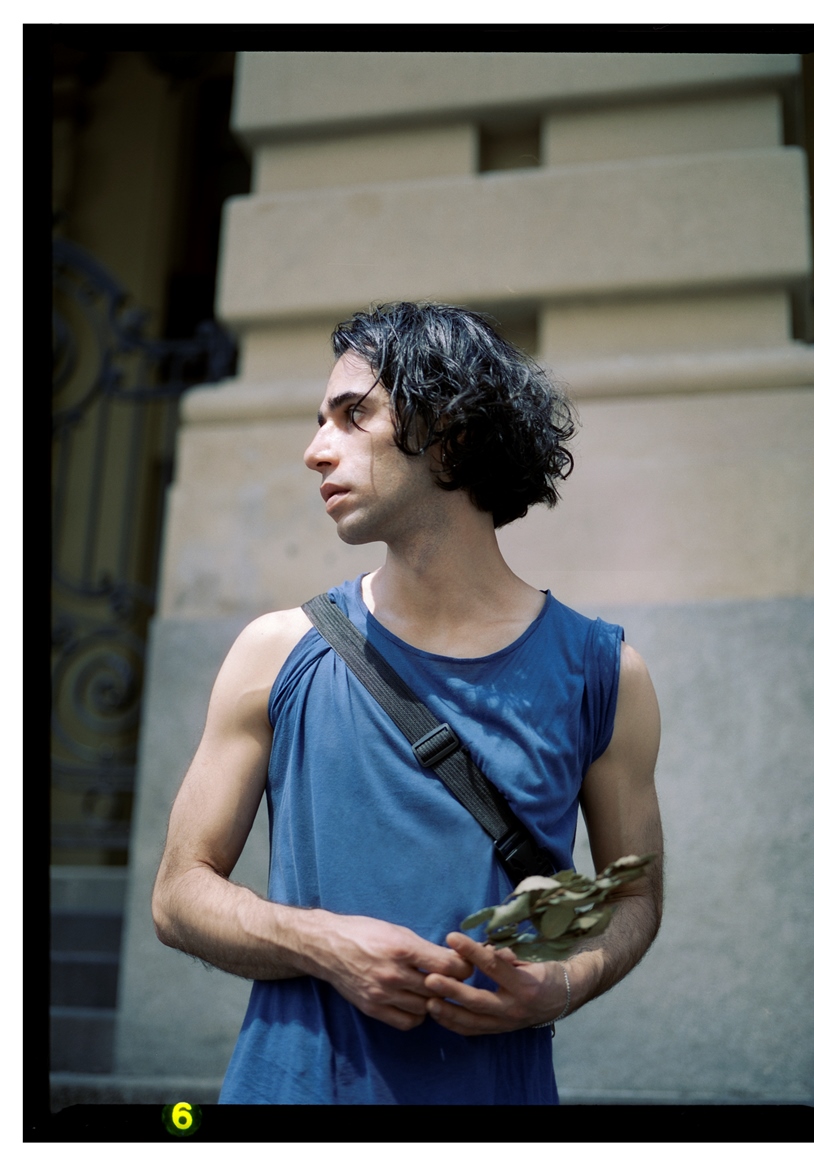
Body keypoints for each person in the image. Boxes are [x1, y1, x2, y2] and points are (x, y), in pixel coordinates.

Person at [151, 301, 663, 1105]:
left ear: (448, 431)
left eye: (353, 415)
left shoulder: (606, 673)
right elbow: (178, 893)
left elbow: (635, 894)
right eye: (320, 421)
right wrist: (320, 941)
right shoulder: (274, 651)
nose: (315, 450)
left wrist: (564, 984)